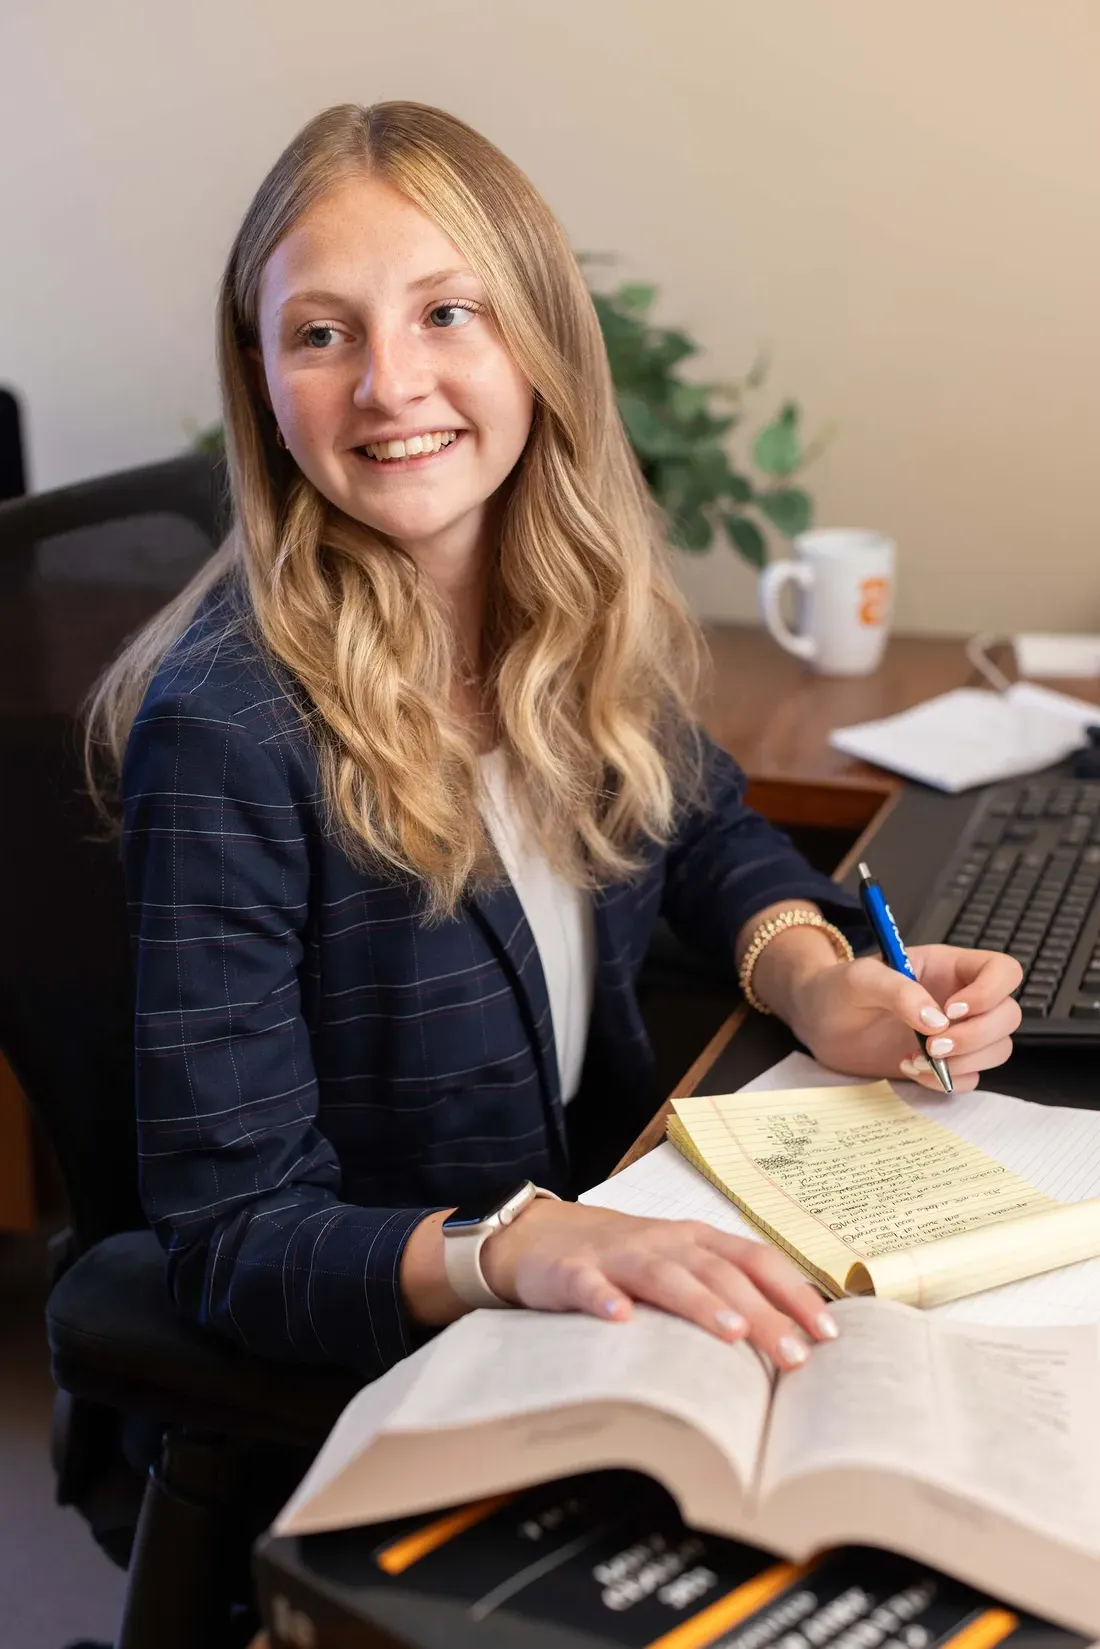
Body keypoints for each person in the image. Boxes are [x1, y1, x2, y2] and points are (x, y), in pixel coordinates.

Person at [87, 101, 1022, 1385]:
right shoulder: (225, 728)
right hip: (424, 1344)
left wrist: (816, 976)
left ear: (536, 339)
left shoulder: (563, 605)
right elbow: (232, 1237)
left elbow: (700, 832)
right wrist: (517, 1245)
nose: (388, 382)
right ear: (259, 377)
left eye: (444, 312)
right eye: (320, 333)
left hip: (626, 1229)